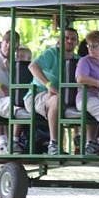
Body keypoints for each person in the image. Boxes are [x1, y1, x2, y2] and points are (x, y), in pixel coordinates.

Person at [26, 27, 79, 155]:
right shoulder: (52, 53)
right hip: (38, 94)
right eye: (66, 38)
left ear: (77, 42)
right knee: (56, 99)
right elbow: (32, 66)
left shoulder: (78, 59)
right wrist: (49, 85)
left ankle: (85, 142)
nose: (70, 41)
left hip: (66, 97)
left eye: (73, 39)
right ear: (59, 40)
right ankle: (53, 144)